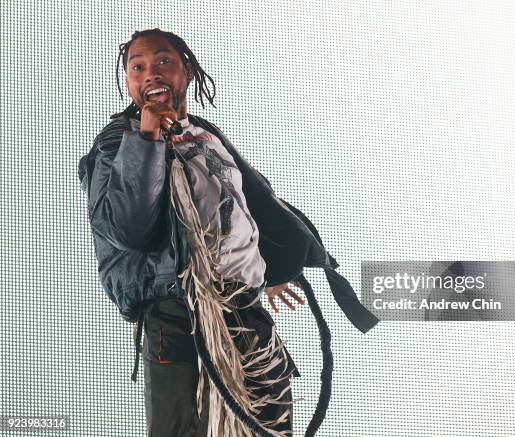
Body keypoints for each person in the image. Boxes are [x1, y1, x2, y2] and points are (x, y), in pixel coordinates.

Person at [78, 28, 379, 437]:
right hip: (179, 311)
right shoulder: (118, 143)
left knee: (267, 423)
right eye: (138, 67)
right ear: (128, 81)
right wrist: (147, 138)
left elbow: (243, 205)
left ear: (187, 69)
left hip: (243, 310)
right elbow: (128, 228)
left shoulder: (206, 136)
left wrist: (268, 266)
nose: (151, 73)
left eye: (163, 61)